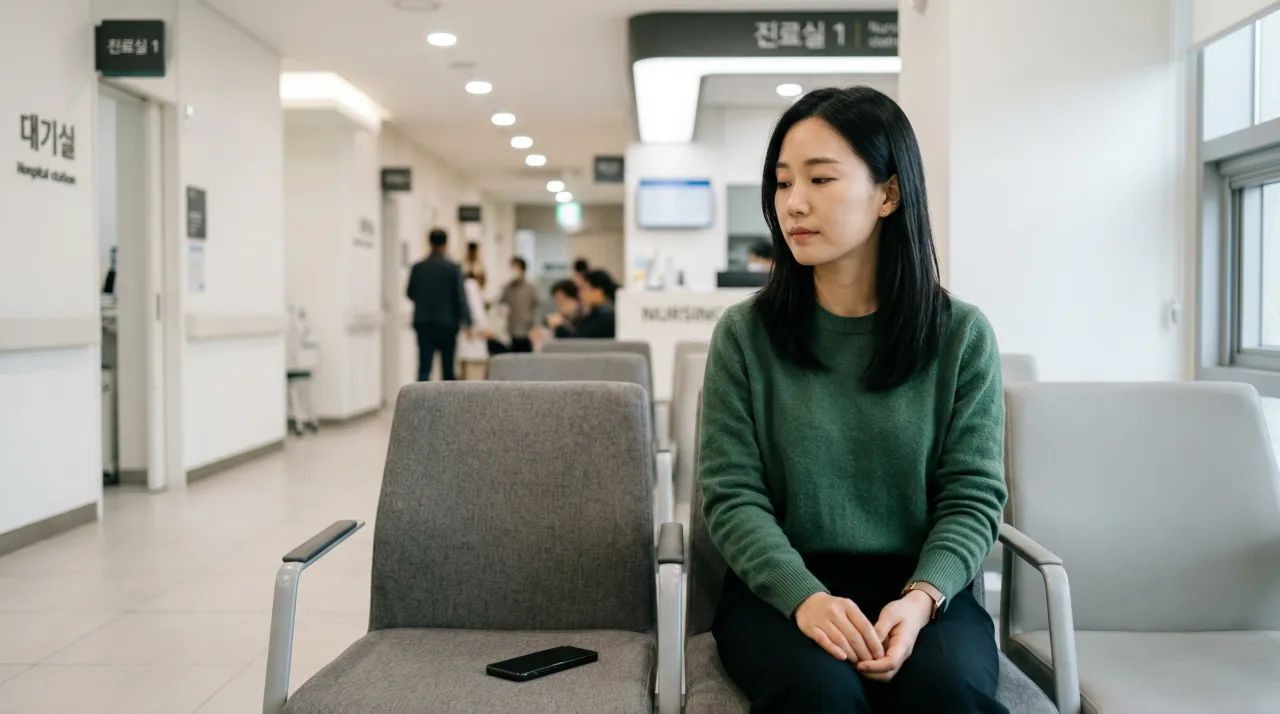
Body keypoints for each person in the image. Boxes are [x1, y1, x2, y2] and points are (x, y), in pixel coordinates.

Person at [698, 86, 1008, 714]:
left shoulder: (961, 334)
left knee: (947, 692)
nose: (794, 203)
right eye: (782, 183)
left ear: (889, 194)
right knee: (822, 696)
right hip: (782, 587)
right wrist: (804, 597)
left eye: (820, 179)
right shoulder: (745, 334)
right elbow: (732, 496)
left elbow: (974, 496)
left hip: (922, 587)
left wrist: (922, 598)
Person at [406, 228, 471, 381]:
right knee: (448, 369)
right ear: (445, 245)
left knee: (424, 367)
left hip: (424, 323)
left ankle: (420, 396)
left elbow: (410, 293)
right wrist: (468, 322)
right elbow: (460, 297)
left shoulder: (418, 268)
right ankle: (448, 397)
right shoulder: (453, 268)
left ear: (429, 244)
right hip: (447, 324)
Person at [548, 269, 616, 339]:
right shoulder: (601, 312)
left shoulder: (604, 315)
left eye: (585, 288)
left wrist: (558, 326)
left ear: (598, 291)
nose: (581, 294)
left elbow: (579, 340)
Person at [499, 257, 540, 353]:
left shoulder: (530, 288)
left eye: (516, 268)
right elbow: (502, 304)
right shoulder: (508, 288)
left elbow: (536, 308)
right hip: (512, 331)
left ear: (522, 269)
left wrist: (535, 327)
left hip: (527, 330)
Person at [456, 271, 489, 378]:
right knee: (474, 381)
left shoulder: (464, 285)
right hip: (473, 345)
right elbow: (477, 313)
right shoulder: (471, 286)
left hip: (465, 347)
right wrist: (484, 329)